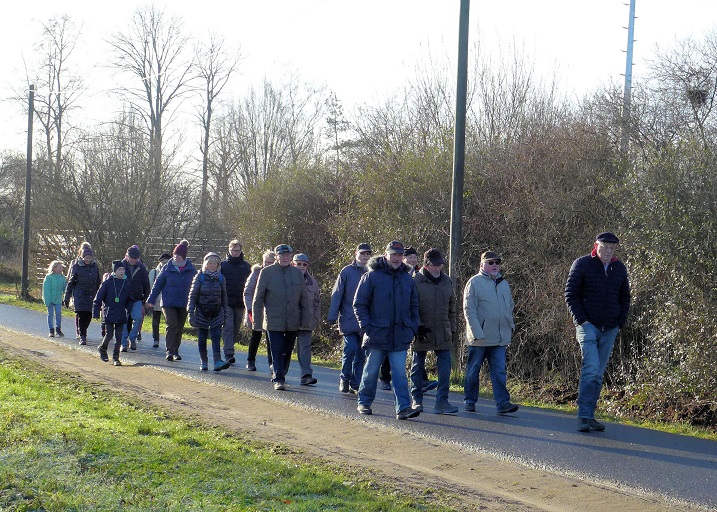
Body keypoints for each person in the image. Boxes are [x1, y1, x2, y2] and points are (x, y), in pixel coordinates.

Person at [565, 231, 630, 433]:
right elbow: (571, 294)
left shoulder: (619, 268)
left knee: (598, 374)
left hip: (610, 327)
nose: (609, 251)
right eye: (605, 247)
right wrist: (582, 321)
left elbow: (625, 297)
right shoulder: (582, 264)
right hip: (588, 326)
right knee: (591, 368)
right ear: (596, 246)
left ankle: (590, 415)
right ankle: (583, 416)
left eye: (613, 248)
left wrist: (619, 322)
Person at [354, 240, 421, 420]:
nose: (397, 258)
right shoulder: (371, 276)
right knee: (371, 371)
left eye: (400, 255)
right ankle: (364, 402)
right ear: (386, 255)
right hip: (376, 334)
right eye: (394, 255)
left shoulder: (407, 279)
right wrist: (367, 327)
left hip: (400, 335)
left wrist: (412, 327)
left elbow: (414, 305)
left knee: (399, 373)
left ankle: (403, 408)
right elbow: (359, 304)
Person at [463, 251, 519, 415]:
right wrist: (477, 332)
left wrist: (510, 326)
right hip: (479, 337)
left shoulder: (504, 283)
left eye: (497, 262)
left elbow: (510, 306)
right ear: (482, 265)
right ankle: (470, 401)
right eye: (490, 263)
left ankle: (503, 404)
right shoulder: (474, 282)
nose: (494, 265)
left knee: (499, 371)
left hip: (499, 337)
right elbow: (469, 310)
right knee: (473, 370)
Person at [252, 244, 310, 390]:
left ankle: (282, 371)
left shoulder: (297, 273)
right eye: (282, 255)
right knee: (276, 350)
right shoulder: (266, 273)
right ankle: (279, 378)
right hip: (273, 320)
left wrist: (305, 319)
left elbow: (304, 298)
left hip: (293, 319)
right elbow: (258, 299)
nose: (285, 258)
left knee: (287, 350)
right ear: (276, 257)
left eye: (288, 255)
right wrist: (257, 322)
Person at [410, 248, 458, 414]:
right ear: (426, 264)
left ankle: (442, 401)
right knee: (417, 366)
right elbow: (410, 307)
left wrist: (452, 329)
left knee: (445, 367)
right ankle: (416, 400)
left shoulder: (447, 282)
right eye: (434, 265)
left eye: (440, 264)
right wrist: (416, 327)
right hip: (421, 330)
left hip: (443, 330)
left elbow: (452, 309)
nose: (438, 268)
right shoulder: (415, 281)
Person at [327, 243, 371, 394]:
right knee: (350, 348)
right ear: (356, 254)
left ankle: (355, 383)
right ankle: (344, 378)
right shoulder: (347, 271)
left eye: (367, 254)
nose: (365, 256)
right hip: (348, 318)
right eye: (362, 253)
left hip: (365, 321)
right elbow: (337, 293)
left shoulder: (372, 272)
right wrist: (332, 315)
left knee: (361, 354)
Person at [147, 241, 198, 362]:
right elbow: (158, 284)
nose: (176, 257)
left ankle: (175, 350)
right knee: (172, 324)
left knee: (179, 327)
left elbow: (196, 287)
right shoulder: (167, 268)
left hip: (183, 303)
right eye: (174, 254)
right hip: (168, 302)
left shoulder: (191, 270)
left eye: (178, 255)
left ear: (184, 256)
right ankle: (169, 351)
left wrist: (196, 302)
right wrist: (151, 299)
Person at [188, 252, 230, 372]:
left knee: (216, 337)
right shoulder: (199, 276)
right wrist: (190, 312)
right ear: (206, 264)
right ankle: (204, 361)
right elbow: (192, 295)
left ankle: (217, 361)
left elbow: (224, 297)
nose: (212, 265)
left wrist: (225, 313)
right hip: (202, 312)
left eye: (215, 263)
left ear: (218, 265)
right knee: (202, 337)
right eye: (210, 263)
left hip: (217, 312)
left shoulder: (221, 278)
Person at [93, 260, 131, 366]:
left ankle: (116, 358)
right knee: (109, 334)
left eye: (123, 269)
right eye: (119, 269)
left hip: (121, 313)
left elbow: (130, 299)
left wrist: (128, 308)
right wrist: (96, 312)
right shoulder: (107, 283)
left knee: (119, 337)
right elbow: (98, 298)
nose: (122, 271)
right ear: (114, 271)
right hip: (109, 312)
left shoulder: (127, 284)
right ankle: (102, 348)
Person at [243, 250, 276, 371]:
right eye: (265, 262)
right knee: (255, 335)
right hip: (256, 310)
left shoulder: (276, 274)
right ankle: (250, 361)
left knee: (271, 337)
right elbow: (247, 292)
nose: (267, 264)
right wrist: (250, 309)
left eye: (270, 262)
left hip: (271, 310)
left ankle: (272, 364)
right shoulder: (256, 273)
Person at [220, 239, 252, 364]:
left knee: (235, 328)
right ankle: (228, 353)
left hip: (240, 302)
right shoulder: (222, 266)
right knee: (228, 326)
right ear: (229, 250)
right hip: (226, 302)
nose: (234, 252)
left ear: (240, 251)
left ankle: (229, 347)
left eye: (237, 250)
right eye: (232, 250)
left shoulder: (246, 267)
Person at [293, 253, 320, 386]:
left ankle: (306, 375)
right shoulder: (287, 278)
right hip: (289, 319)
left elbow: (316, 302)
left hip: (306, 320)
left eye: (304, 264)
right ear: (293, 264)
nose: (301, 266)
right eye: (298, 264)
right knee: (285, 348)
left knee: (305, 347)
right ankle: (279, 374)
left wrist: (315, 317)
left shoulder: (312, 282)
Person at [64, 247, 100, 345]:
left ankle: (83, 331)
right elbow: (71, 283)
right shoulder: (76, 266)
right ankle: (82, 335)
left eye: (90, 258)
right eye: (86, 257)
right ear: (82, 257)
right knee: (81, 315)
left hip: (91, 295)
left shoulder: (95, 267)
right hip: (80, 295)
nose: (88, 260)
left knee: (88, 316)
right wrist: (67, 297)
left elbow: (98, 282)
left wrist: (100, 296)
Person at [120, 245, 151, 351]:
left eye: (135, 258)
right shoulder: (120, 266)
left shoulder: (141, 268)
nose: (133, 260)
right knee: (123, 320)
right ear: (126, 256)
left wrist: (146, 298)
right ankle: (123, 343)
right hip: (123, 298)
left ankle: (132, 338)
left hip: (137, 298)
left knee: (138, 318)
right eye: (131, 258)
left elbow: (146, 284)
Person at [148, 253, 171, 347]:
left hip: (167, 301)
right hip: (156, 301)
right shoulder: (154, 272)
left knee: (169, 322)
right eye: (164, 262)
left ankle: (169, 341)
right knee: (155, 321)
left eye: (167, 262)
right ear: (160, 262)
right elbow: (151, 286)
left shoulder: (172, 272)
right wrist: (151, 299)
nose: (165, 264)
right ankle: (156, 339)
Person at [43, 260, 67, 338]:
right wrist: (47, 301)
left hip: (58, 299)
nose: (61, 269)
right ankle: (51, 330)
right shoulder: (49, 277)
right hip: (50, 299)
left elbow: (64, 289)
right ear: (54, 268)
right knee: (50, 314)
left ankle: (58, 329)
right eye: (59, 267)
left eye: (61, 267)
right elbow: (46, 290)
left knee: (58, 313)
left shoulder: (63, 278)